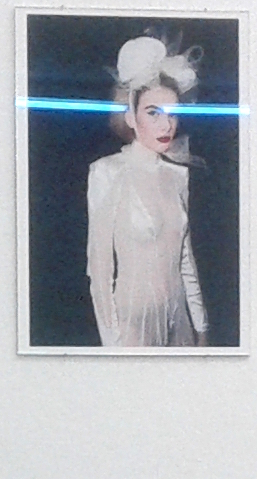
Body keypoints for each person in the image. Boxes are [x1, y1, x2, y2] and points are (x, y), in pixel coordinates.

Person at [86, 35, 210, 348]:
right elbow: (100, 269)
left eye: (172, 113)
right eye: (153, 112)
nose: (166, 125)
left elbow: (185, 260)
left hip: (179, 322)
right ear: (131, 116)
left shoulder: (177, 175)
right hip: (132, 326)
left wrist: (201, 327)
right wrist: (113, 346)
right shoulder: (108, 172)